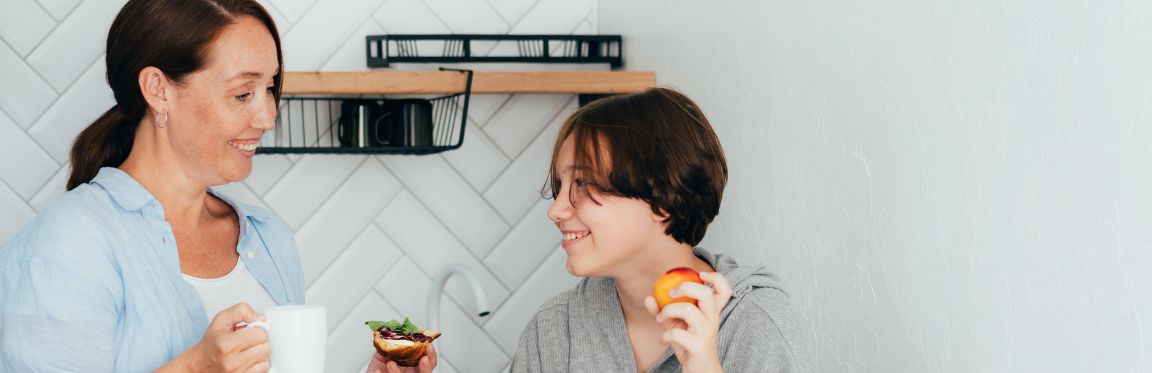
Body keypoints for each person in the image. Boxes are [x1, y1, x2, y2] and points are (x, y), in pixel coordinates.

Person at [0, 1, 436, 372]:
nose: (267, 118)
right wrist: (193, 367)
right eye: (242, 94)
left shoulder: (268, 239)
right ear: (159, 90)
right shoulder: (66, 246)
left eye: (270, 88)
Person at [510, 88, 813, 372]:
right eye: (560, 187)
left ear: (662, 198)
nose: (556, 211)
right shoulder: (553, 328)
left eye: (583, 183)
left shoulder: (756, 325)